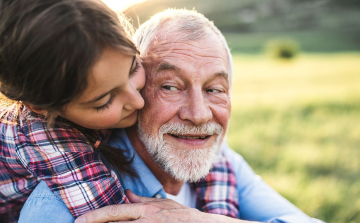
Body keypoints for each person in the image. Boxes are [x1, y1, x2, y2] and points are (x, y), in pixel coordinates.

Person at [19, 9, 324, 223]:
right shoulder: (61, 202)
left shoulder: (224, 163)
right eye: (170, 86)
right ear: (137, 91)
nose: (198, 114)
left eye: (214, 89)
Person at [0, 0, 146, 222]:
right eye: (105, 101)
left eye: (134, 68)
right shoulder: (44, 137)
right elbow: (117, 216)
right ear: (42, 107)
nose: (138, 102)